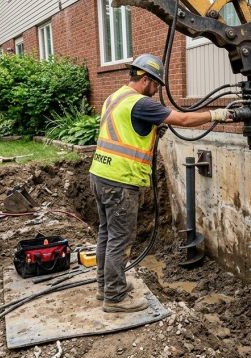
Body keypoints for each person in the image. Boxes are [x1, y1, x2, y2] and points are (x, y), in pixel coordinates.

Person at [89, 53, 232, 313]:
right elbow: (183, 119)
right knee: (120, 239)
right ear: (145, 79)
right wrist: (217, 114)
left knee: (106, 234)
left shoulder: (115, 97)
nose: (156, 90)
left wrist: (152, 128)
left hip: (100, 174)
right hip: (120, 181)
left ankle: (105, 286)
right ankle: (115, 297)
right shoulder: (140, 103)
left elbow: (127, 130)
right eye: (155, 84)